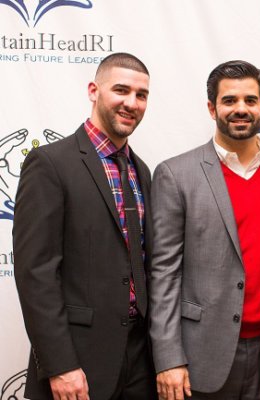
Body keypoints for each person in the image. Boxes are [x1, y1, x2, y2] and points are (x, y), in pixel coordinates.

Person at [13, 52, 157, 400]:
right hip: (78, 361)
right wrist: (60, 364)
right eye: (120, 90)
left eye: (141, 95)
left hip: (140, 359)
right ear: (94, 90)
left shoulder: (143, 171)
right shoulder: (50, 164)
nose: (131, 103)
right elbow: (36, 273)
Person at [149, 60, 260, 400]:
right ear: (212, 107)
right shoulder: (175, 174)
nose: (240, 109)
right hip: (201, 356)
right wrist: (168, 358)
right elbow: (163, 272)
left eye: (250, 100)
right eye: (229, 101)